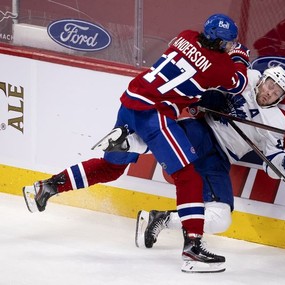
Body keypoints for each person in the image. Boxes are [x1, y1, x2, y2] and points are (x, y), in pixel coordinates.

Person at [22, 14, 250, 273]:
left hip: (130, 101)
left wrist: (197, 93)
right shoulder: (220, 65)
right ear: (220, 43)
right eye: (229, 43)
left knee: (112, 168)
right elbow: (238, 83)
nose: (231, 46)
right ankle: (192, 250)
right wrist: (240, 56)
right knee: (189, 177)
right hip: (154, 113)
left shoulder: (185, 35)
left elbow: (190, 72)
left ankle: (48, 186)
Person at [120, 66, 285, 249]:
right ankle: (127, 142)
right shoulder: (246, 78)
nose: (269, 92)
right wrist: (209, 95)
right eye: (269, 85)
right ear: (262, 80)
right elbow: (207, 79)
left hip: (219, 159)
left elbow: (272, 163)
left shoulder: (276, 121)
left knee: (221, 219)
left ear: (280, 98)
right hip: (202, 131)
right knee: (177, 138)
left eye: (276, 92)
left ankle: (160, 219)